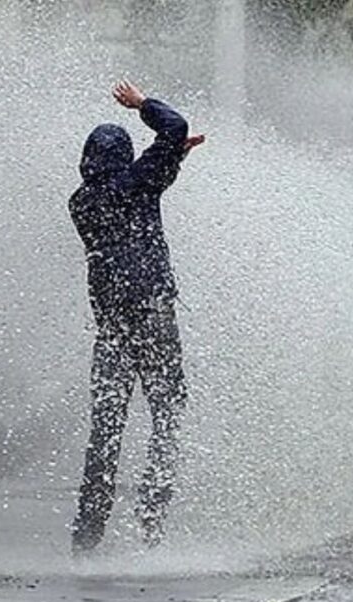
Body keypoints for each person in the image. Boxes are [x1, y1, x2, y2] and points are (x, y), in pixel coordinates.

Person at [69, 81, 204, 552]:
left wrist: (171, 161)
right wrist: (143, 104)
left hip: (112, 329)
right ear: (125, 157)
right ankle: (151, 521)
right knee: (166, 415)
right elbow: (175, 127)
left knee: (106, 430)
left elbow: (143, 190)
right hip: (152, 317)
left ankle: (87, 535)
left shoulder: (80, 202)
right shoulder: (136, 184)